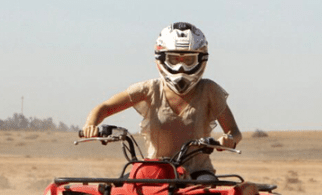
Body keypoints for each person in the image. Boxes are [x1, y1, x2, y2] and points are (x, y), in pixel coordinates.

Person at [82, 22, 242, 176]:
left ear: (201, 59)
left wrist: (228, 140)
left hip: (197, 173)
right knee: (122, 193)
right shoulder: (149, 89)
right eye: (174, 59)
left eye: (188, 60)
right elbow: (106, 107)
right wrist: (90, 125)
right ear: (161, 58)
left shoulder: (209, 90)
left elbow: (234, 132)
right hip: (155, 171)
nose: (181, 67)